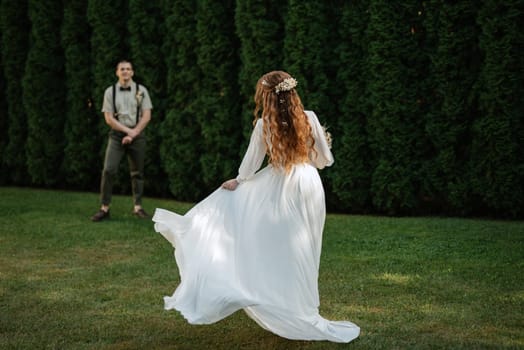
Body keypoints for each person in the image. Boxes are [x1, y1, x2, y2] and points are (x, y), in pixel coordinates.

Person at [152, 71, 360, 342]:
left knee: (281, 250)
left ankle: (281, 302)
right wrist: (312, 151)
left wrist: (238, 181)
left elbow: (251, 165)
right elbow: (323, 161)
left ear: (267, 95)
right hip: (308, 187)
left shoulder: (265, 124)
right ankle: (303, 310)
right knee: (306, 250)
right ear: (292, 92)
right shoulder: (310, 118)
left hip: (279, 187)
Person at [91, 60, 153, 222]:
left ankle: (138, 207)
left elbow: (146, 116)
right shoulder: (109, 92)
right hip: (117, 135)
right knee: (108, 170)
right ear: (117, 72)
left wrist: (133, 134)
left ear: (132, 72)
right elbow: (109, 119)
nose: (125, 71)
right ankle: (104, 208)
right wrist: (127, 132)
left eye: (128, 69)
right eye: (122, 69)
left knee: (137, 172)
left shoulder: (142, 91)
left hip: (137, 134)